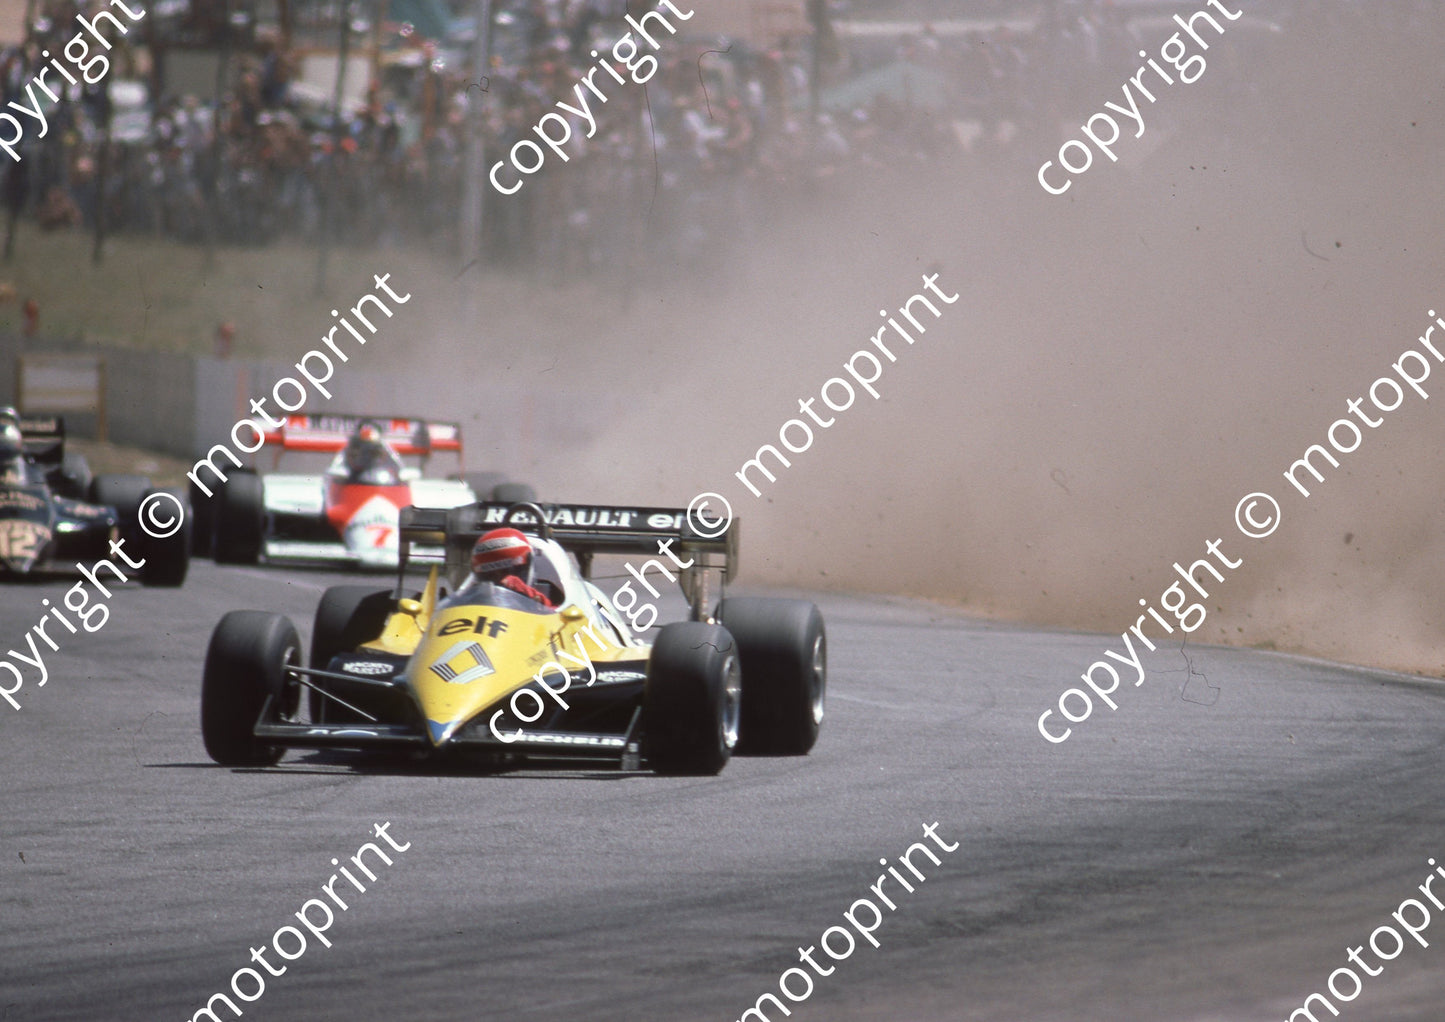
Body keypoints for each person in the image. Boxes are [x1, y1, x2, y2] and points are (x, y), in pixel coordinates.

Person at [468, 527, 555, 608]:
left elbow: (555, 613)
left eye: (506, 572)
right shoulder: (471, 596)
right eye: (490, 576)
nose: (501, 581)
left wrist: (519, 588)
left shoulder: (541, 603)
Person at [337, 421, 402, 484]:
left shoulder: (383, 447)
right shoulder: (350, 447)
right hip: (354, 479)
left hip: (378, 478)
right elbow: (338, 464)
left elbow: (395, 464)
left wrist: (399, 473)